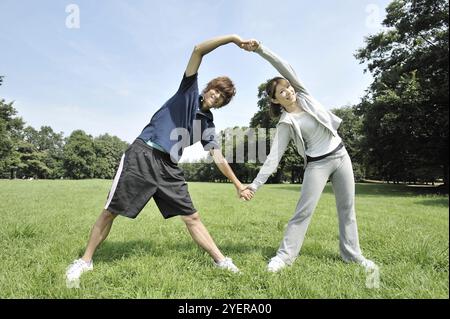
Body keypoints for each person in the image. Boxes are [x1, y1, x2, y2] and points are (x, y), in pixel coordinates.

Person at [66, 35, 254, 284]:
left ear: (222, 104)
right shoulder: (188, 92)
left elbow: (217, 155)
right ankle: (84, 261)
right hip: (143, 155)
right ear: (208, 88)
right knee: (111, 211)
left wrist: (238, 184)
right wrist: (232, 39)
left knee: (192, 217)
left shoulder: (207, 124)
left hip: (168, 167)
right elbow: (198, 50)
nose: (217, 96)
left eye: (223, 96)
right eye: (216, 90)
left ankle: (221, 261)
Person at [240, 39, 376, 273]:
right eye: (281, 91)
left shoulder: (303, 94)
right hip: (318, 165)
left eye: (288, 87)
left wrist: (260, 49)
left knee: (347, 208)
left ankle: (353, 256)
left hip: (341, 155)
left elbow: (283, 66)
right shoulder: (286, 123)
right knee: (303, 212)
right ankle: (283, 257)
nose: (288, 91)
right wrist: (254, 185)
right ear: (275, 99)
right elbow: (274, 157)